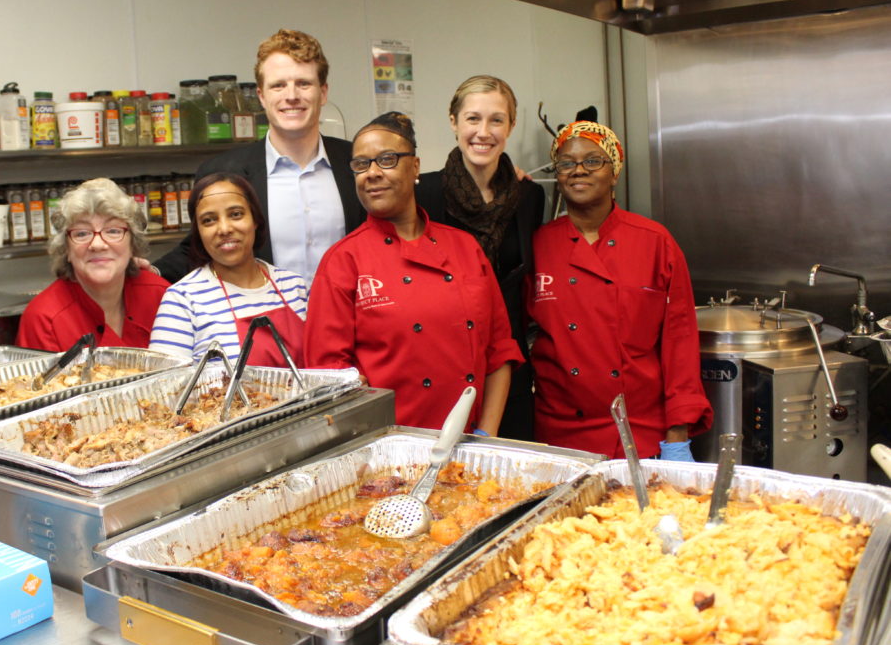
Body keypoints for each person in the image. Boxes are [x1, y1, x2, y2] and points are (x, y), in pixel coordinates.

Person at [305, 112, 523, 433]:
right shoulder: (342, 261)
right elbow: (326, 374)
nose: (372, 173)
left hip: (469, 442)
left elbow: (499, 350)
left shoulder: (465, 248)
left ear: (416, 167)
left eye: (387, 159)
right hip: (387, 450)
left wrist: (485, 436)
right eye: (361, 164)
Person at [527, 121, 712, 460]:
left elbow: (680, 343)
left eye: (593, 161)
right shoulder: (538, 245)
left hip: (639, 430)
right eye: (567, 163)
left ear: (614, 173)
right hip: (560, 436)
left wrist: (677, 434)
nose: (578, 170)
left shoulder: (656, 242)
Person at [153, 29, 364, 285]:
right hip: (264, 322)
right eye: (278, 85)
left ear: (324, 92)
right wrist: (146, 273)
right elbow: (197, 250)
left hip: (348, 321)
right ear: (262, 96)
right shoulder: (222, 172)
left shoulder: (358, 163)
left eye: (304, 83)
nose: (292, 96)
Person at [416, 75, 545, 441]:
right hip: (445, 364)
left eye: (496, 120)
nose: (483, 132)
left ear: (512, 125)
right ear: (453, 121)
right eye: (473, 118)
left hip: (510, 365)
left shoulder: (529, 198)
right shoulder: (422, 194)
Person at [150, 173, 309, 365]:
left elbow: (323, 368)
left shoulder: (294, 286)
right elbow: (166, 386)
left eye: (236, 214)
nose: (224, 229)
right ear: (198, 232)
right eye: (209, 220)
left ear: (255, 220)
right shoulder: (182, 300)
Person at [17, 177, 170, 351]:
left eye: (113, 231)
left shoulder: (161, 295)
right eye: (82, 233)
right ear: (66, 249)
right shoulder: (44, 318)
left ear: (132, 244)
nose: (97, 245)